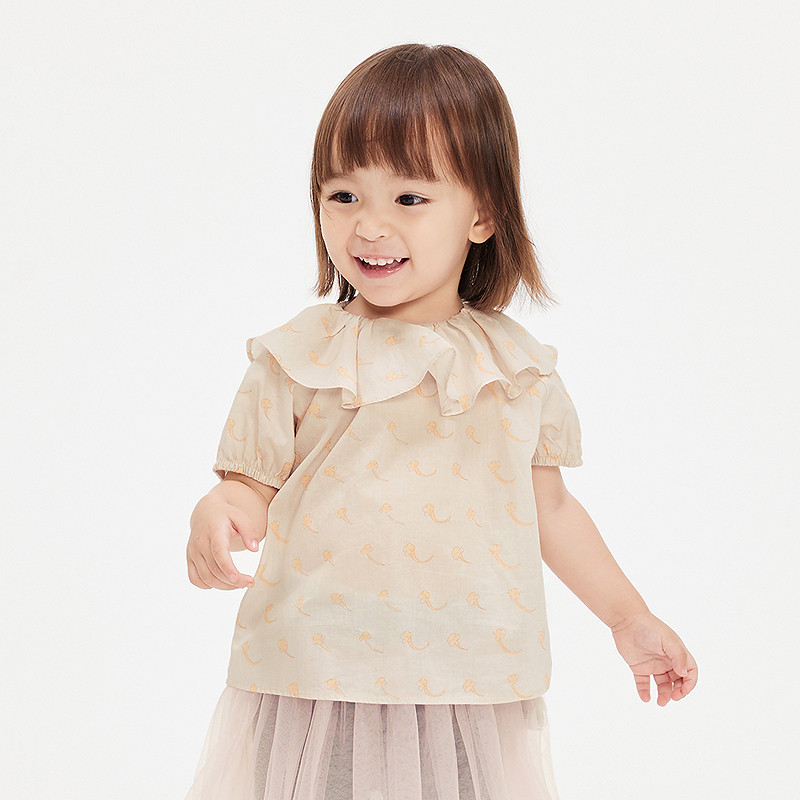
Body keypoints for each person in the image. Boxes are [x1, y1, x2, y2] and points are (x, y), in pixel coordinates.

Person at [183, 43, 698, 800]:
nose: (369, 226)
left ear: (483, 213)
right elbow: (248, 484)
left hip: (467, 680)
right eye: (344, 195)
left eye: (409, 198)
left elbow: (550, 509)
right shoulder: (300, 356)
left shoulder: (516, 369)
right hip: (317, 671)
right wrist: (221, 509)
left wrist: (628, 617)